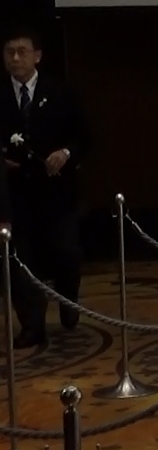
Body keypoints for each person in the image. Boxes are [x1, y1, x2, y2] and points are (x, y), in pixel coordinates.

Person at [1, 30, 90, 349]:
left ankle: (68, 298)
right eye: (10, 52)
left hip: (56, 193)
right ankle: (32, 325)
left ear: (37, 56)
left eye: (22, 51)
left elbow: (84, 136)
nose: (15, 58)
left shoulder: (60, 92)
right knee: (21, 259)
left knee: (65, 252)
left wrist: (65, 153)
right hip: (15, 195)